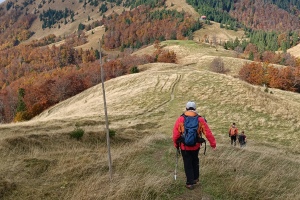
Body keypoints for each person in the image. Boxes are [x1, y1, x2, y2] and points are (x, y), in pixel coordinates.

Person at [173, 101, 216, 190]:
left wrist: (176, 144)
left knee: (187, 163)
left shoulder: (181, 119)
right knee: (195, 161)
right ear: (195, 109)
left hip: (184, 147)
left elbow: (176, 134)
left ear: (186, 108)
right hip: (196, 146)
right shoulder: (200, 119)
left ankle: (190, 183)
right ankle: (195, 178)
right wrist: (213, 144)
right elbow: (208, 133)